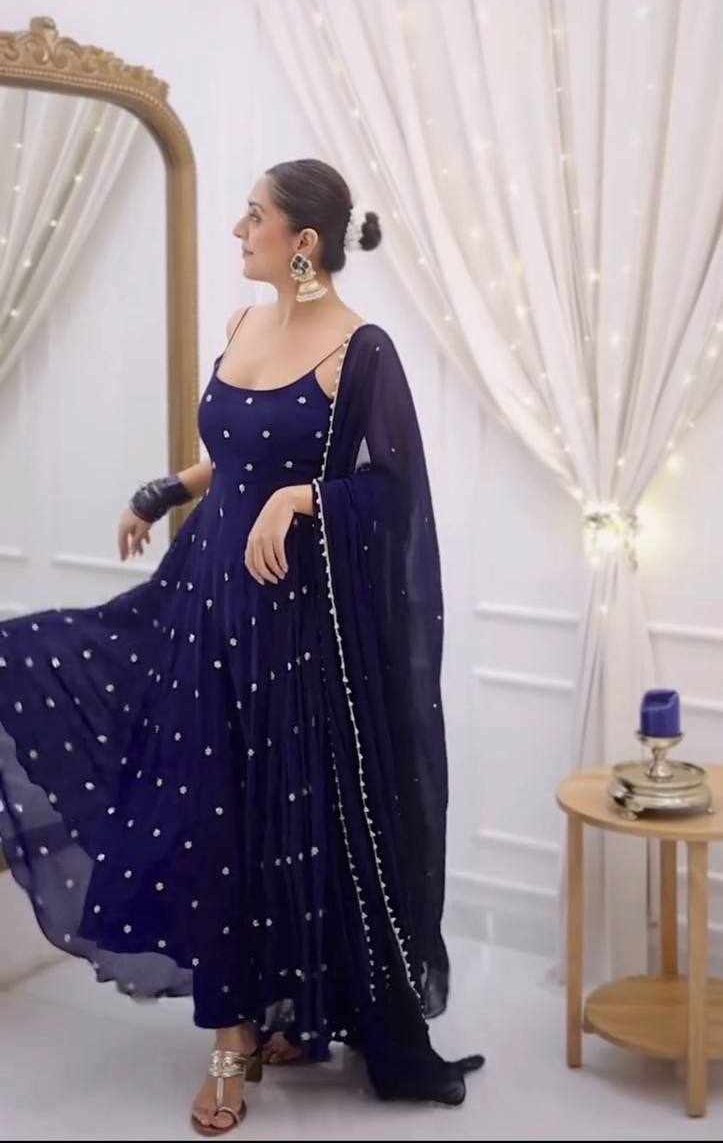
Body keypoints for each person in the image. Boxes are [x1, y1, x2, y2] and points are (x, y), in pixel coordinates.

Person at [0, 158, 484, 1134]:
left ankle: (248, 1034)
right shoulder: (243, 326)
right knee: (155, 769)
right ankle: (252, 1020)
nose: (237, 228)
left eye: (252, 215)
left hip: (291, 625)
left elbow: (395, 493)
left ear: (302, 241)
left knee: (264, 819)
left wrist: (303, 497)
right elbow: (240, 449)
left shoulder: (360, 351)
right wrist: (165, 490)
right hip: (201, 598)